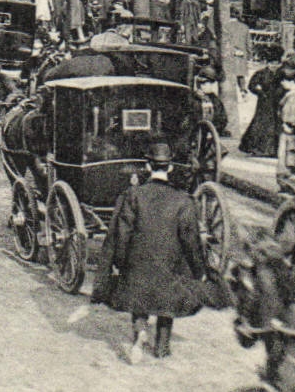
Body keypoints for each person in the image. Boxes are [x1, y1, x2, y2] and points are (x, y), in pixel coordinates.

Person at [90, 141, 211, 362]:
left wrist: (120, 262)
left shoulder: (133, 195)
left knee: (139, 292)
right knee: (168, 298)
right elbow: (190, 241)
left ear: (147, 166)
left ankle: (139, 334)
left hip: (139, 268)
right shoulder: (183, 200)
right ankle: (162, 347)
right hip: (169, 270)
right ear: (171, 167)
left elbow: (122, 233)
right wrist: (198, 270)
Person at [238, 46, 286, 157]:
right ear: (267, 62)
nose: (273, 66)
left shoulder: (282, 72)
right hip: (265, 102)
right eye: (271, 63)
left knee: (278, 125)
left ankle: (276, 150)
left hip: (279, 102)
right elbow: (252, 85)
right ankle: (260, 149)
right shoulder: (261, 73)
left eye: (276, 63)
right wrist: (259, 92)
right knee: (262, 125)